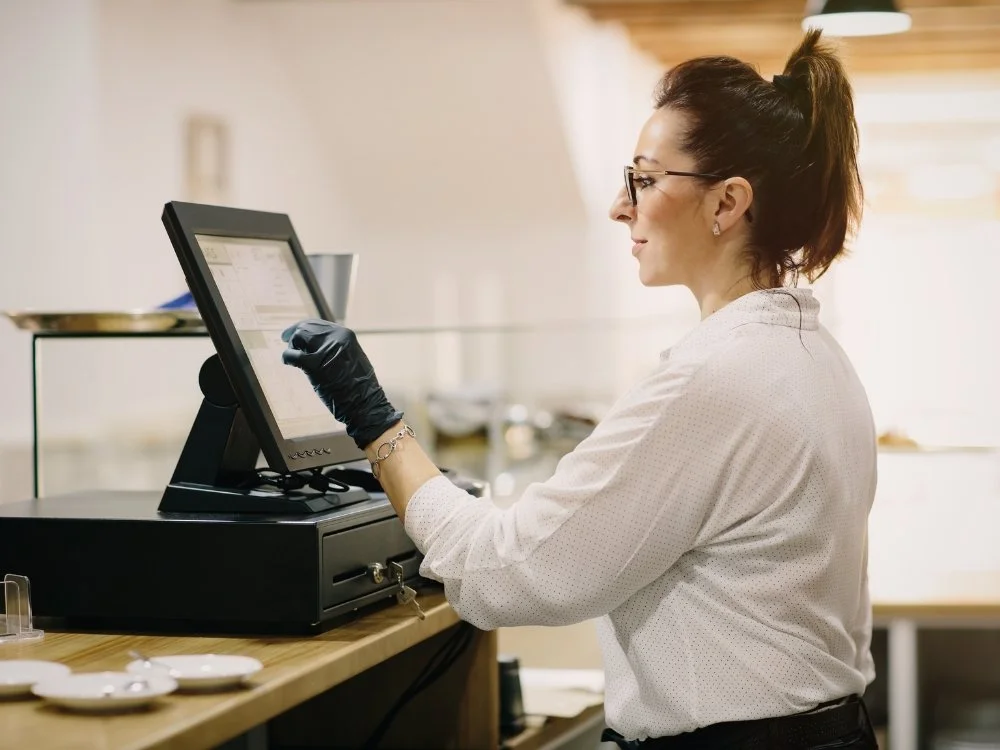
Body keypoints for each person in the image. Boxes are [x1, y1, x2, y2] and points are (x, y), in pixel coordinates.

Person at [281, 28, 879, 750]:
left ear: (727, 204)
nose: (619, 208)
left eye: (645, 180)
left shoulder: (714, 379)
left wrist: (374, 422)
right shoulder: (813, 354)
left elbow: (504, 574)